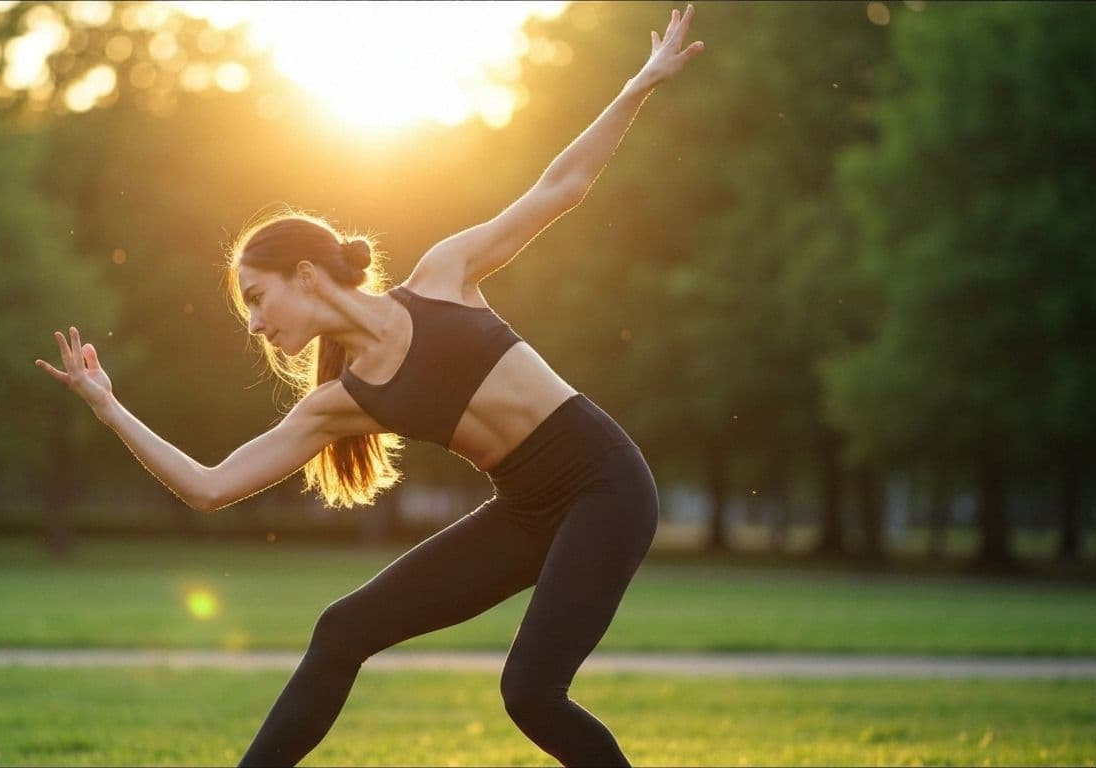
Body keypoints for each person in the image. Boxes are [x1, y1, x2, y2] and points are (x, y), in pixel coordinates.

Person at [37, 6, 703, 765]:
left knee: (530, 692)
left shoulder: (445, 277)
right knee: (343, 629)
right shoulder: (340, 402)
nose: (254, 324)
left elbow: (562, 186)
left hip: (605, 486)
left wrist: (638, 84)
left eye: (257, 297)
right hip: (526, 508)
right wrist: (109, 405)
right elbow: (209, 487)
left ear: (307, 276)